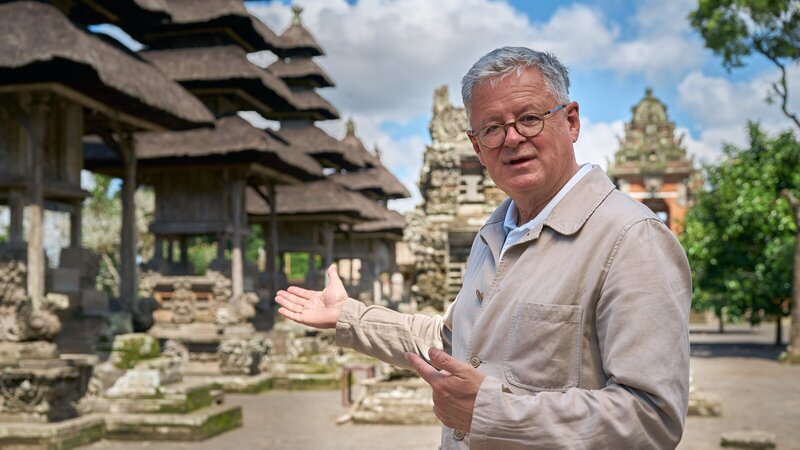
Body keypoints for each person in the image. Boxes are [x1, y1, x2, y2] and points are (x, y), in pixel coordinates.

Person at [275, 46, 691, 449]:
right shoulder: (496, 232)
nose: (512, 139)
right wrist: (350, 317)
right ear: (477, 146)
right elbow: (455, 342)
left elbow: (651, 417)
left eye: (530, 119)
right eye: (492, 129)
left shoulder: (631, 238)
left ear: (571, 121)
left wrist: (491, 413)